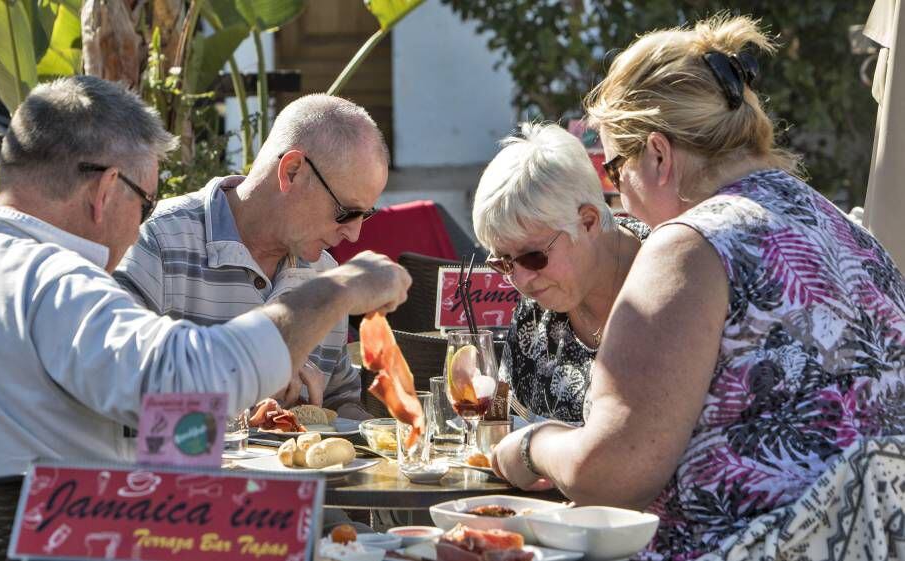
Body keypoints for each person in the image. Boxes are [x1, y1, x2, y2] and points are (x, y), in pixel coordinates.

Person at [490, 15, 905, 559]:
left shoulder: (690, 245)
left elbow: (611, 472)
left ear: (658, 155)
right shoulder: (847, 231)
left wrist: (528, 445)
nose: (618, 197)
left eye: (614, 171)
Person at [0, 76, 410, 478]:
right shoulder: (54, 282)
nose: (142, 224)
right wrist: (336, 291)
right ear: (106, 190)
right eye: (147, 203)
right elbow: (182, 382)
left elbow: (147, 415)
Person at [114, 93, 387, 421]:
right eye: (346, 212)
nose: (354, 234)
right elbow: (118, 389)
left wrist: (349, 417)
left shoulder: (325, 274)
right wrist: (250, 378)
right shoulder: (157, 241)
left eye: (365, 215)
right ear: (292, 171)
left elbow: (341, 397)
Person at [472, 122, 648, 423]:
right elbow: (502, 419)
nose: (520, 280)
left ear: (589, 222)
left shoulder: (666, 275)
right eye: (503, 262)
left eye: (533, 257)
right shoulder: (536, 306)